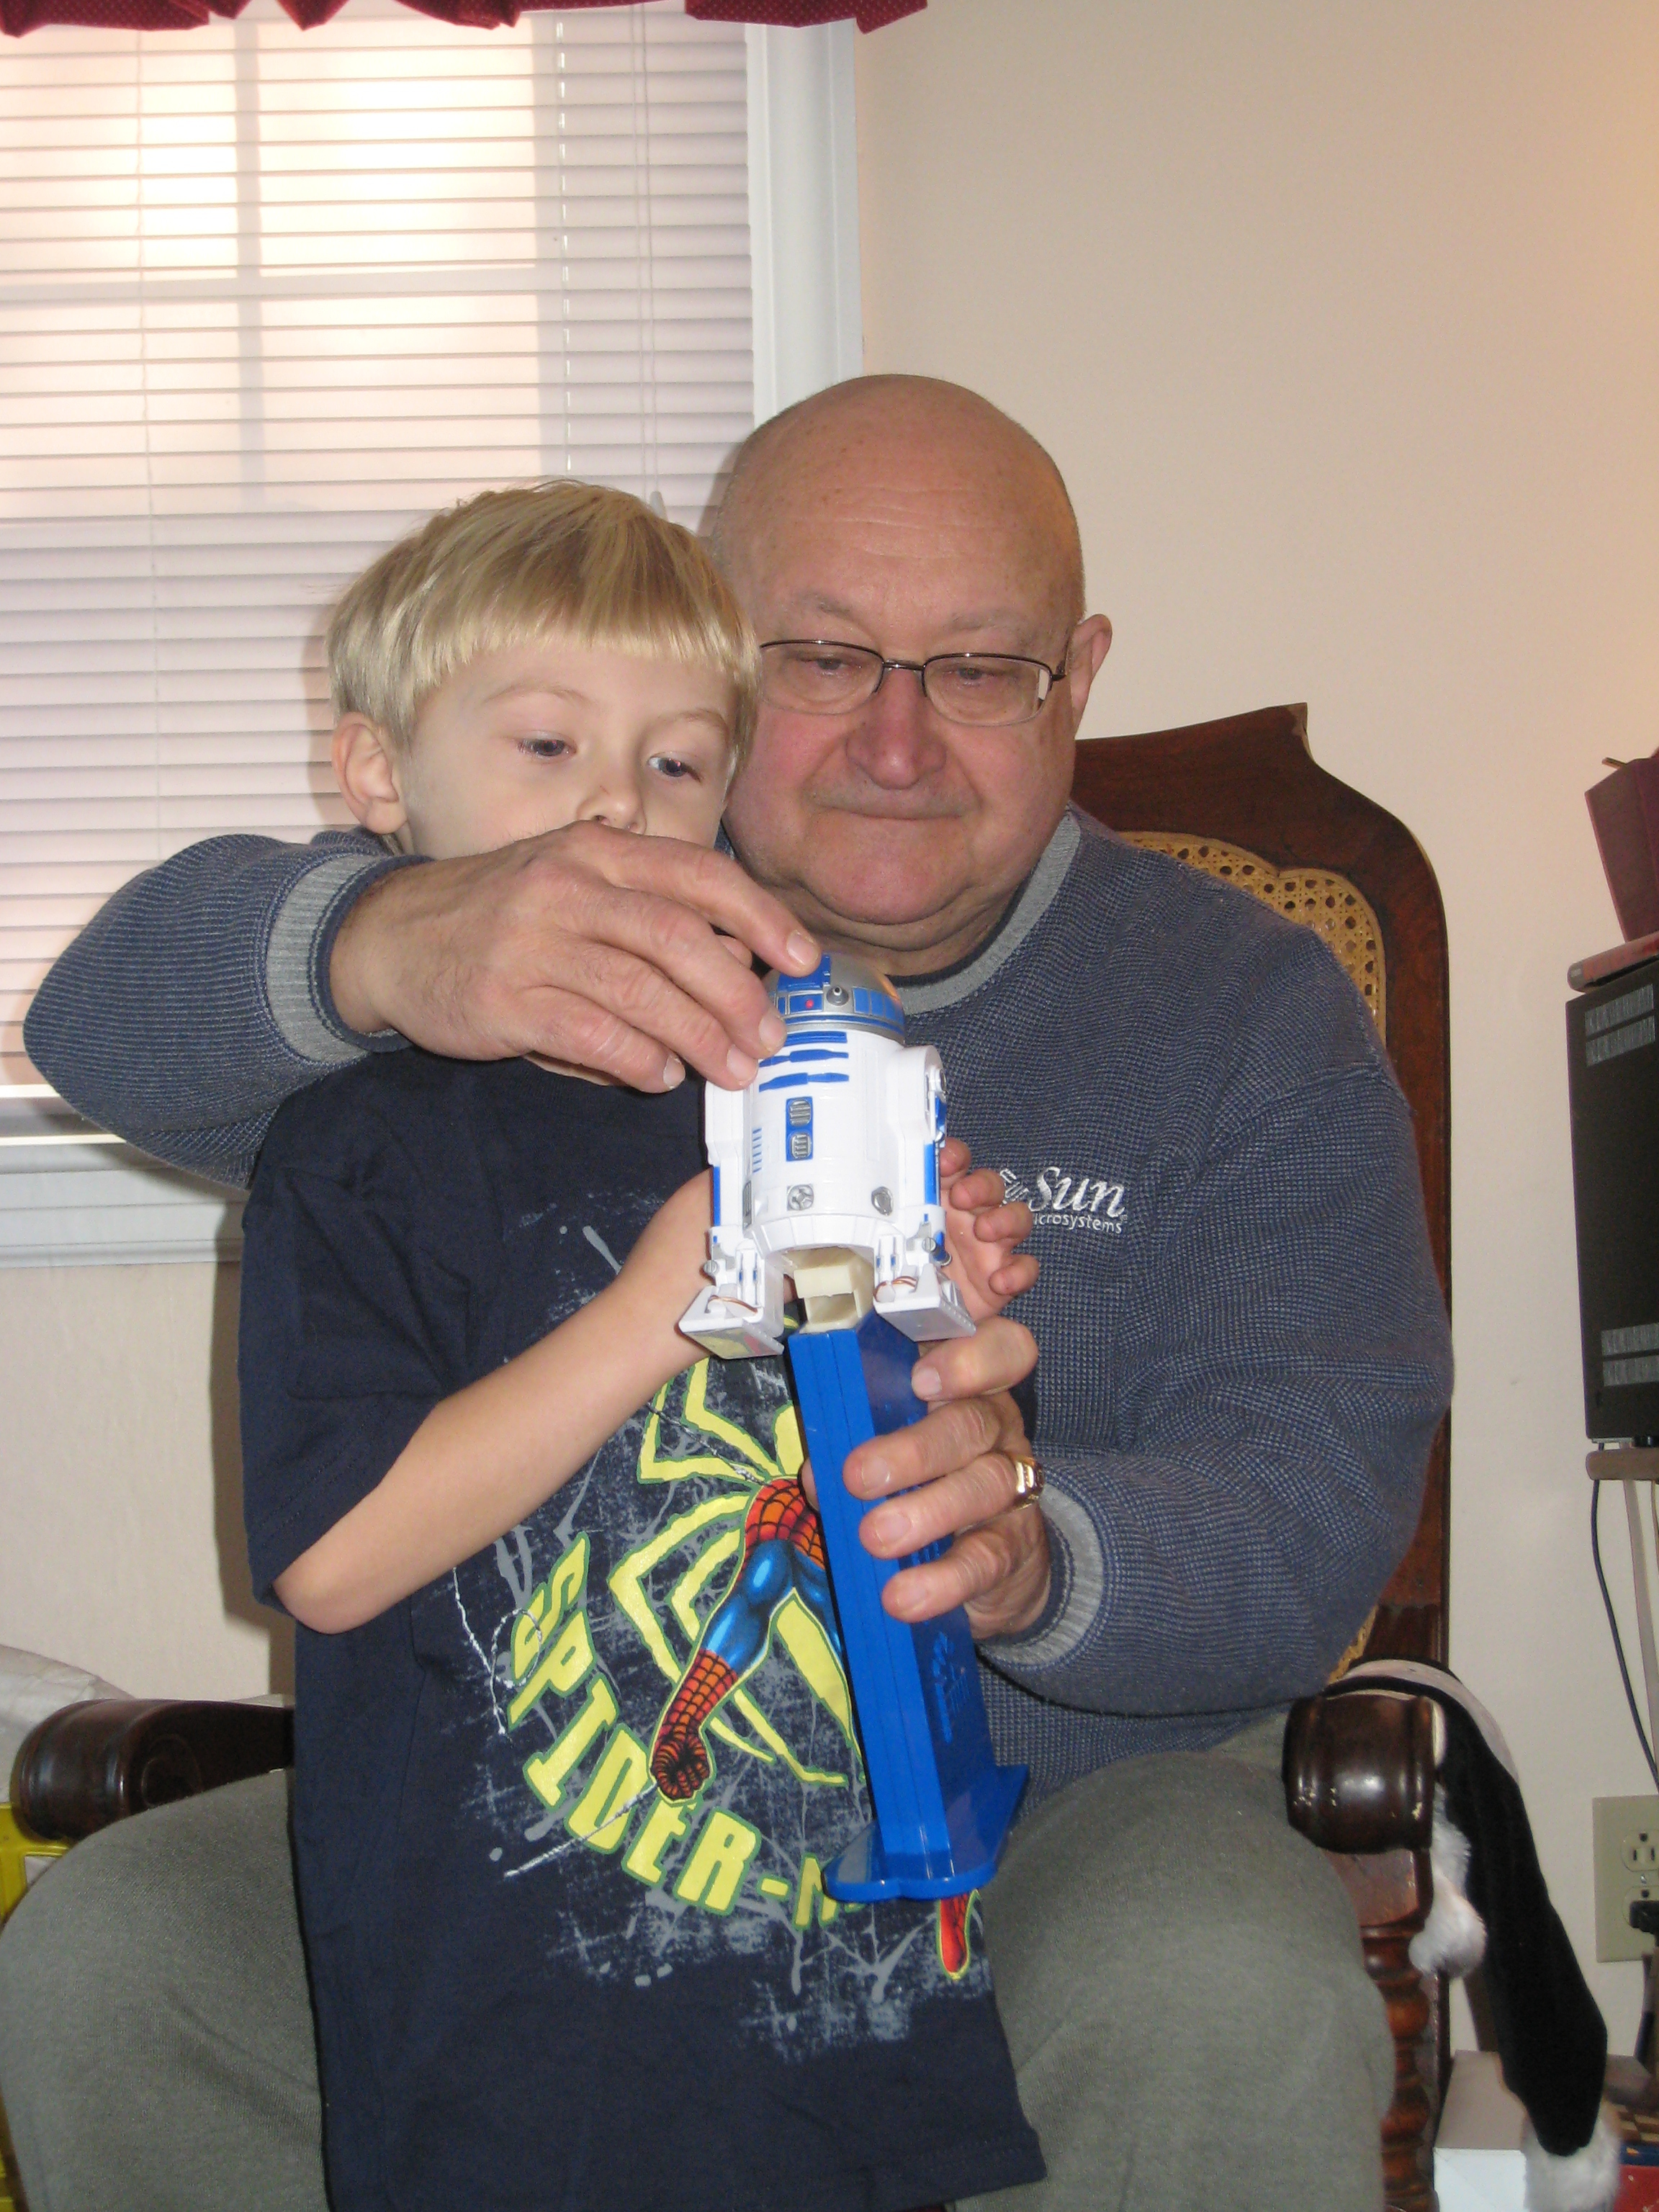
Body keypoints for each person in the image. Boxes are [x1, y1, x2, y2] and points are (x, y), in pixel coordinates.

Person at [0, 374, 1454, 2212]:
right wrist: (383, 943)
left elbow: (1316, 1489)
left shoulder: (1242, 1014)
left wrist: (1030, 1544)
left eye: (981, 667)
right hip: (550, 1807)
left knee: (1220, 1980)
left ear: (1078, 677)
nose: (897, 744)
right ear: (719, 651)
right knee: (120, 1954)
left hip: (1056, 1809)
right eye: (825, 658)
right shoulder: (535, 925)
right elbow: (98, 1020)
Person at [230, 478, 1046, 2212]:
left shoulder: (776, 1081)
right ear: (378, 773)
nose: (617, 805)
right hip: (518, 2047)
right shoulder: (353, 1154)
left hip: (850, 1988)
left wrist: (944, 1296)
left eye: (677, 764)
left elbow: (897, 1450)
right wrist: (660, 1306)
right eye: (546, 746)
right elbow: (333, 1559)